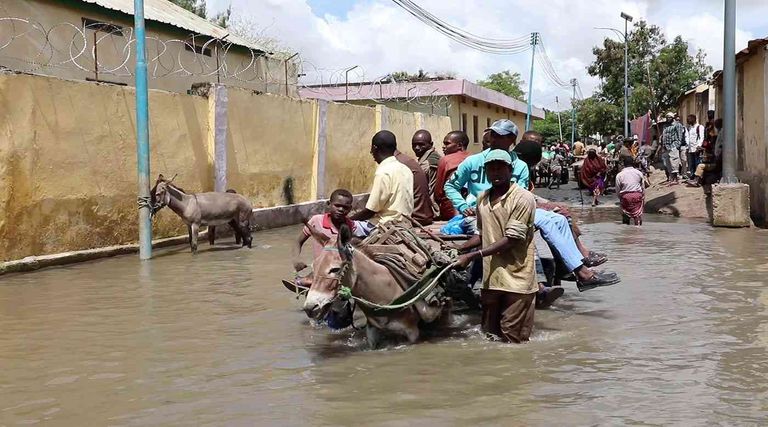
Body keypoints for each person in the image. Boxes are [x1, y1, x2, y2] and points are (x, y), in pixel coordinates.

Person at [454, 149, 538, 343]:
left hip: (517, 280)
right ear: (486, 172)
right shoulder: (482, 198)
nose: (496, 173)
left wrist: (472, 257)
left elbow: (512, 239)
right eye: (491, 169)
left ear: (510, 170)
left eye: (500, 168)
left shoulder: (523, 198)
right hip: (491, 278)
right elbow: (481, 234)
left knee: (512, 338)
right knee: (489, 335)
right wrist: (460, 249)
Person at [444, 119, 530, 217]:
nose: (494, 139)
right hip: (475, 215)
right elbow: (450, 186)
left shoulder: (520, 167)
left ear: (512, 139)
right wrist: (462, 206)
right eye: (492, 135)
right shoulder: (473, 161)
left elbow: (521, 196)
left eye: (499, 136)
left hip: (507, 214)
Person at [349, 130, 414, 228]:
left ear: (374, 148)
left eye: (371, 149)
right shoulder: (405, 169)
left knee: (344, 228)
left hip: (385, 225)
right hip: (405, 223)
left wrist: (348, 220)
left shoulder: (383, 172)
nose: (371, 152)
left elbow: (370, 211)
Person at [434, 131, 471, 220]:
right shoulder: (474, 158)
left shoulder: (445, 160)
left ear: (459, 145)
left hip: (450, 211)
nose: (443, 147)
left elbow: (438, 193)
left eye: (447, 144)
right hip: (473, 208)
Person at [395, 148, 435, 226]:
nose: (417, 148)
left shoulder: (396, 163)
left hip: (416, 217)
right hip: (426, 214)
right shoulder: (409, 160)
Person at [687, 118, 723, 188]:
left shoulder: (720, 135)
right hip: (715, 160)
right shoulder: (718, 135)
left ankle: (697, 181)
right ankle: (697, 180)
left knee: (700, 165)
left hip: (717, 162)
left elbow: (718, 151)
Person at [411, 129, 442, 202]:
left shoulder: (427, 163)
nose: (417, 148)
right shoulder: (434, 156)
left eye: (421, 144)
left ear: (431, 144)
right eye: (414, 145)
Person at [615, 157, 647, 226]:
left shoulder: (619, 175)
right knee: (638, 216)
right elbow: (643, 187)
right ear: (633, 163)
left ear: (623, 164)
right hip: (637, 195)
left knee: (625, 215)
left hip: (625, 196)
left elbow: (617, 189)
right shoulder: (639, 173)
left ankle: (626, 232)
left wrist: (620, 198)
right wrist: (643, 196)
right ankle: (638, 229)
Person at [661, 112, 685, 185]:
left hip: (673, 145)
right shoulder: (665, 126)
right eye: (667, 117)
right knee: (667, 163)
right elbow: (664, 136)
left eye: (670, 117)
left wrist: (676, 145)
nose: (668, 118)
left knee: (674, 162)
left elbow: (680, 136)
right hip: (666, 147)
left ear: (673, 118)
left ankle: (675, 179)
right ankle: (671, 179)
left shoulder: (677, 125)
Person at [685, 114, 704, 178]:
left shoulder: (700, 127)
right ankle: (692, 176)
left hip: (696, 149)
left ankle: (698, 177)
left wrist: (699, 146)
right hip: (690, 149)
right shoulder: (690, 128)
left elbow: (701, 137)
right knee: (691, 164)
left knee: (697, 163)